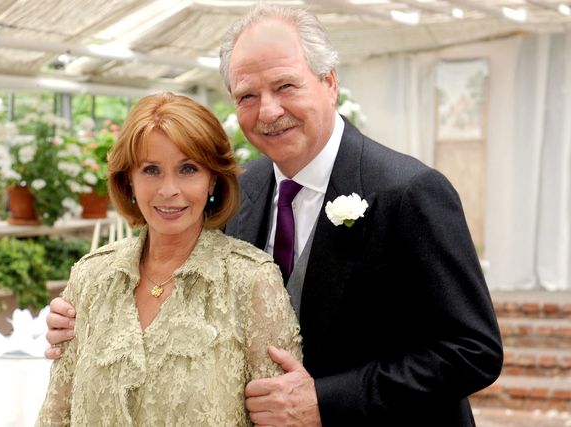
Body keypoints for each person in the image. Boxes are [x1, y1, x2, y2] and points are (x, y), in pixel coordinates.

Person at [46, 5, 503, 426]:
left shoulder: (409, 192)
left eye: (285, 86)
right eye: (247, 95)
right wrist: (91, 319)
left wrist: (326, 400)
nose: (268, 110)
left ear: (329, 82)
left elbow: (473, 351)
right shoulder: (239, 190)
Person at [36, 92, 302, 426]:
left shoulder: (252, 281)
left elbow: (283, 417)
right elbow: (56, 415)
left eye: (188, 169)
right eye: (151, 170)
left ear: (213, 181)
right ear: (129, 181)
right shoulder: (90, 276)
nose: (168, 190)